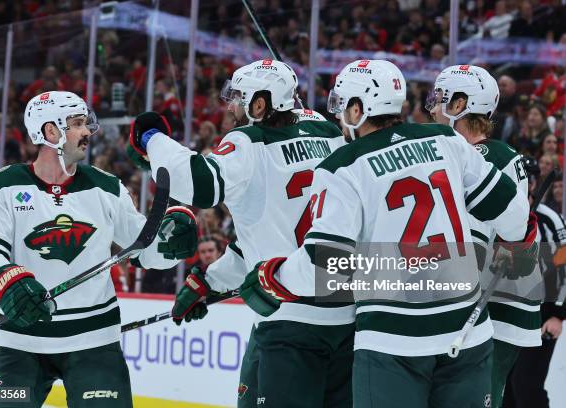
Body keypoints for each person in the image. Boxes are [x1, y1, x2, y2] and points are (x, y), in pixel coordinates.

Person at [238, 60, 536, 408]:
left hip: (393, 341)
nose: (337, 116)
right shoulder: (446, 139)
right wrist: (516, 242)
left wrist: (273, 275)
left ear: (358, 108)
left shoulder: (343, 166)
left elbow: (326, 267)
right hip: (467, 332)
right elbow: (515, 217)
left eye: (341, 105)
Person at [127, 59, 353, 408]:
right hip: (347, 316)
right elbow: (267, 230)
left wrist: (151, 138)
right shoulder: (329, 133)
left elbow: (198, 183)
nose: (230, 106)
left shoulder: (250, 142)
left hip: (291, 320)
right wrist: (210, 280)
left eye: (236, 97)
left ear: (258, 104)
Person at [0, 91, 197, 408]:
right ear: (50, 132)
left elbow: (143, 248)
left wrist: (171, 243)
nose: (88, 132)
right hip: (20, 340)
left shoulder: (107, 186)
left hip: (94, 340)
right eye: (77, 124)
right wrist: (7, 284)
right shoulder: (1, 186)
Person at [428, 64, 541, 408]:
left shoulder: (489, 157)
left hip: (494, 306)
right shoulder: (477, 154)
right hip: (483, 301)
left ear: (459, 104)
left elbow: (480, 242)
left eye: (438, 98)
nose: (431, 107)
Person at [502, 157, 566, 408]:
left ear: (535, 182)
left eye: (529, 178)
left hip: (541, 318)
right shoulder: (505, 215)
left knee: (526, 385)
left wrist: (558, 314)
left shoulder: (549, 219)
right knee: (506, 388)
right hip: (511, 315)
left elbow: (562, 268)